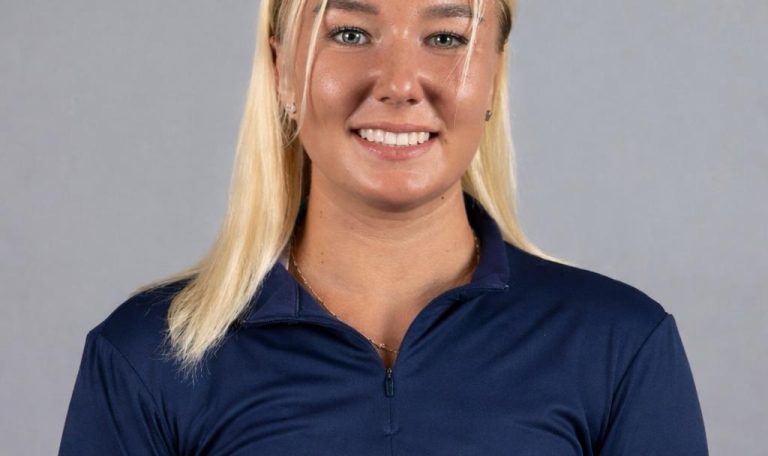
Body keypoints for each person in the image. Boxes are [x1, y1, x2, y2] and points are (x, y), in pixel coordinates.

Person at [59, 0, 709, 454]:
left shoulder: (619, 347)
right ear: (281, 69)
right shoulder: (147, 358)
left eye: (446, 37)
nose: (399, 84)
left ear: (494, 74)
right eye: (349, 33)